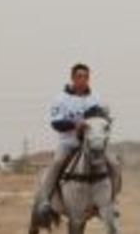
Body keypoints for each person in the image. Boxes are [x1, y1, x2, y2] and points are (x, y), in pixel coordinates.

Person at [35, 63, 119, 217]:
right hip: (69, 143)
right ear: (72, 78)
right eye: (79, 77)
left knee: (113, 163)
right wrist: (75, 124)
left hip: (93, 144)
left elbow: (104, 119)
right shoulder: (61, 99)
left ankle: (111, 201)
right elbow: (56, 123)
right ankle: (45, 201)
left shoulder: (96, 98)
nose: (83, 80)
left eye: (86, 77)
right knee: (56, 163)